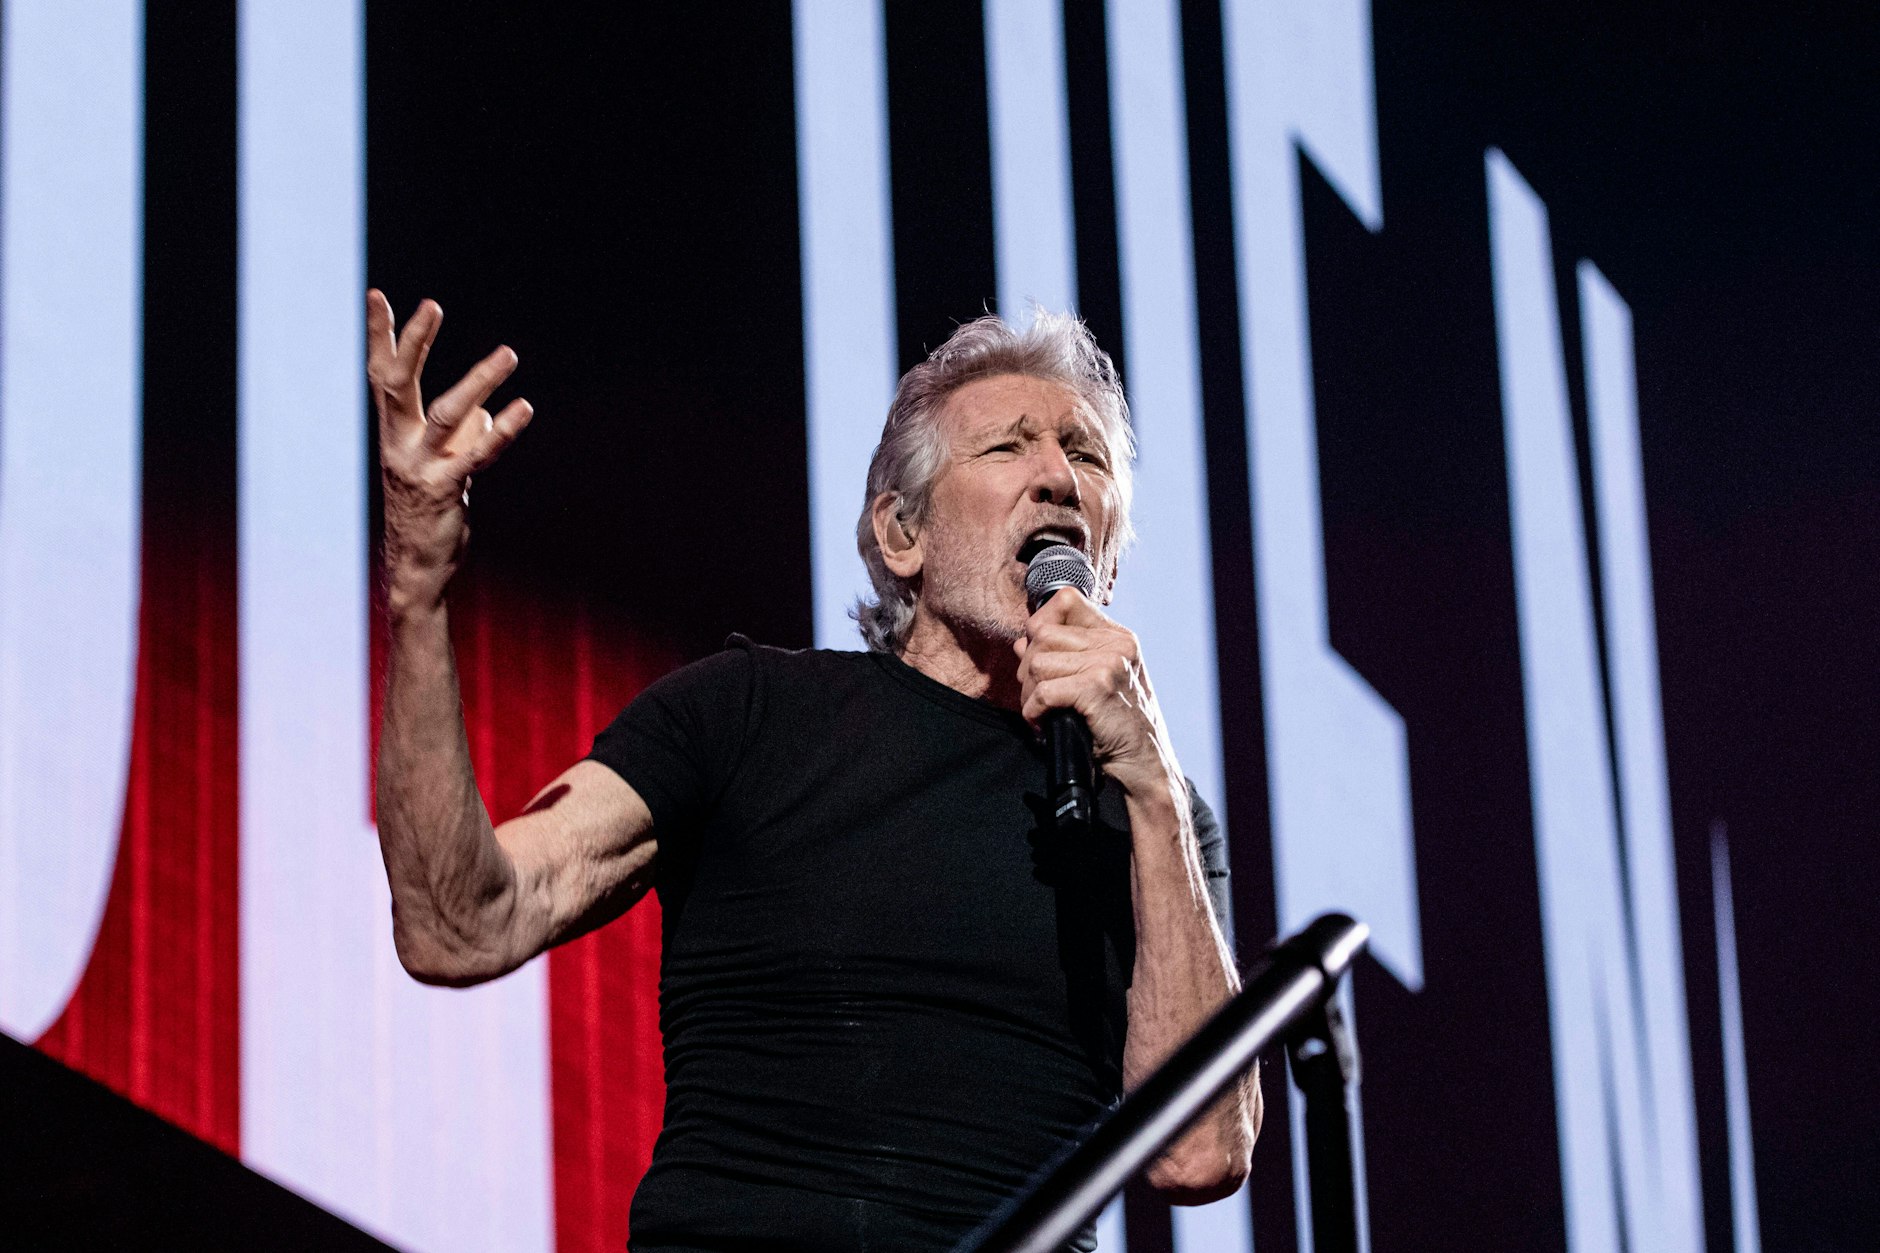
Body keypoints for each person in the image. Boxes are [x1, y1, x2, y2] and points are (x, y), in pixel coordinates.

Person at [366, 289, 1260, 1250]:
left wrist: (1151, 782)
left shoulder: (1156, 818)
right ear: (902, 533)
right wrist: (418, 587)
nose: (1058, 479)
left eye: (1086, 457)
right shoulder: (749, 712)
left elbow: (1200, 1152)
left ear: (1107, 559)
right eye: (1009, 446)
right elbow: (460, 924)